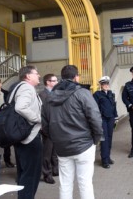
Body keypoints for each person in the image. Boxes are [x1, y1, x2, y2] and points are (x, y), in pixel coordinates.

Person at [42, 65, 103, 199]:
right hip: (84, 145)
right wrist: (96, 139)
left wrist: (56, 139)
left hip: (62, 147)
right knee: (85, 183)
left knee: (65, 183)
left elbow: (45, 125)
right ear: (76, 77)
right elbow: (95, 118)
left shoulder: (49, 97)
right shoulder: (82, 93)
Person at [12, 65, 42, 199]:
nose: (39, 75)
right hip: (30, 137)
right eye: (36, 73)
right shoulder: (26, 87)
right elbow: (20, 107)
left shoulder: (16, 87)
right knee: (31, 174)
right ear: (28, 76)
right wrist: (38, 119)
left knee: (24, 173)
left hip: (21, 136)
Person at [93, 76, 118, 169]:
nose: (106, 85)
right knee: (104, 139)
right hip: (102, 119)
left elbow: (114, 106)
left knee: (110, 138)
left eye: (107, 84)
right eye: (104, 84)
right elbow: (94, 108)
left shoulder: (111, 94)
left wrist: (116, 117)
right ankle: (104, 160)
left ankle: (108, 157)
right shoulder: (97, 95)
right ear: (101, 85)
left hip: (110, 118)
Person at [39, 74, 59, 184]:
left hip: (55, 126)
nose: (56, 82)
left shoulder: (55, 93)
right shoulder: (42, 95)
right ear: (48, 82)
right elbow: (41, 112)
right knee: (47, 152)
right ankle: (47, 174)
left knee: (54, 151)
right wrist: (44, 127)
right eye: (54, 81)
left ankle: (55, 169)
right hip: (47, 127)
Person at [0, 77, 15, 168]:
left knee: (7, 143)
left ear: (1, 84)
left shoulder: (6, 94)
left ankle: (7, 160)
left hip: (4, 120)